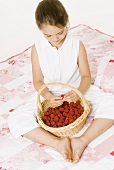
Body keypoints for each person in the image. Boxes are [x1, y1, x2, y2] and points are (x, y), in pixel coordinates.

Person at [8, 0, 114, 163]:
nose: (55, 38)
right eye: (48, 35)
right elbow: (37, 81)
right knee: (15, 119)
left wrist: (78, 93)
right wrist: (48, 96)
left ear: (66, 24)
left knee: (112, 103)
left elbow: (86, 77)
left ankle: (82, 140)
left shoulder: (77, 45)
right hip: (50, 95)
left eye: (60, 32)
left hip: (79, 90)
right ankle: (58, 142)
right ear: (40, 30)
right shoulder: (37, 49)